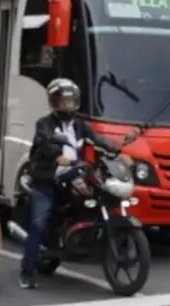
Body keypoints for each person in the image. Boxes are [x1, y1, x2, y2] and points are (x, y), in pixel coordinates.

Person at [19, 78, 118, 289]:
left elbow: (96, 138)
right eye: (63, 102)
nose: (68, 105)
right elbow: (44, 142)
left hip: (72, 175)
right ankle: (27, 272)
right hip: (47, 179)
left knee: (93, 199)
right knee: (39, 223)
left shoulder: (80, 125)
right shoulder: (44, 124)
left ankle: (80, 238)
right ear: (54, 102)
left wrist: (114, 148)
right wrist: (56, 156)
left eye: (71, 101)